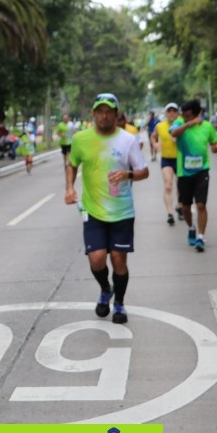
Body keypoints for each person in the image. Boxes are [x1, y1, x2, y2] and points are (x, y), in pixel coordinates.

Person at [64, 93, 149, 324]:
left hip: (122, 212)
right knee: (97, 259)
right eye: (100, 111)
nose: (104, 116)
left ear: (116, 114)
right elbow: (72, 164)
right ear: (93, 113)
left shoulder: (127, 140)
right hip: (93, 211)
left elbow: (144, 171)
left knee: (119, 260)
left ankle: (119, 303)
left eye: (109, 111)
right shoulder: (81, 139)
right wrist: (69, 188)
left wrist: (127, 174)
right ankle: (105, 289)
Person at [170, 100, 217, 251]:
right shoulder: (179, 123)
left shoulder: (207, 126)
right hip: (184, 172)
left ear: (197, 114)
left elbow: (214, 143)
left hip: (202, 171)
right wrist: (189, 124)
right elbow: (173, 133)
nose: (185, 117)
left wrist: (216, 147)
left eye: (188, 115)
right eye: (184, 115)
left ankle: (200, 236)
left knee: (201, 204)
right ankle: (191, 227)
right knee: (186, 206)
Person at [150, 103, 182, 225]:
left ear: (178, 113)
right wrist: (155, 144)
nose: (172, 113)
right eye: (169, 111)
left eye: (174, 111)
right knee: (168, 185)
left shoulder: (182, 124)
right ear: (166, 113)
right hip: (167, 159)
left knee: (181, 187)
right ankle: (170, 213)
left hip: (180, 159)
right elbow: (153, 136)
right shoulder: (160, 126)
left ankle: (180, 206)